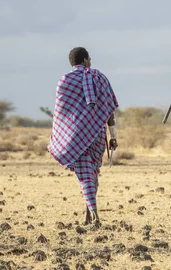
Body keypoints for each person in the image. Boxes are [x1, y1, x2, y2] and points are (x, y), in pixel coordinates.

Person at [48, 47, 119, 227]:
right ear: (86, 60)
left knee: (85, 175)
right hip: (95, 134)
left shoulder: (64, 81)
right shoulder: (99, 78)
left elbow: (60, 114)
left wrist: (59, 137)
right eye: (90, 59)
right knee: (92, 174)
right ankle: (91, 215)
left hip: (75, 137)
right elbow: (109, 109)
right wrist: (113, 136)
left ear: (72, 63)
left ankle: (92, 215)